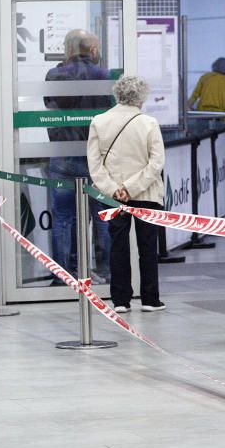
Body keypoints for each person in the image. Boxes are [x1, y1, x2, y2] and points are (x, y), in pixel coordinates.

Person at [87, 75, 166, 313]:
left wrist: (114, 189)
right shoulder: (149, 123)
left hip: (112, 196)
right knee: (148, 246)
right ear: (140, 97)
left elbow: (94, 164)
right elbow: (157, 162)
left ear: (116, 94)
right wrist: (133, 187)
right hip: (147, 193)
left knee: (117, 245)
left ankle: (120, 299)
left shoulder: (99, 122)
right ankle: (150, 299)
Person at [44, 29, 113, 284]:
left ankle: (63, 274)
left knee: (63, 218)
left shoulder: (54, 75)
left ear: (69, 49)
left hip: (63, 154)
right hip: (96, 157)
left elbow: (49, 106)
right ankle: (107, 271)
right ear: (93, 50)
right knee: (102, 216)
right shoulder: (103, 75)